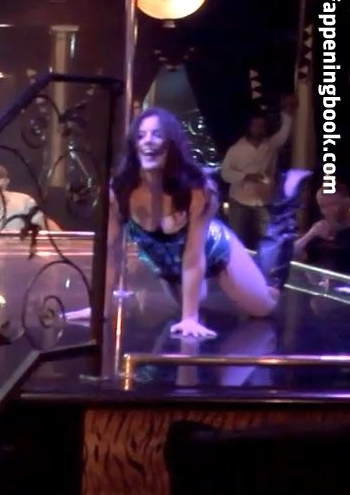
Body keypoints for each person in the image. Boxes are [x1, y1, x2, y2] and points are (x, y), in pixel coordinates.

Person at [67, 108, 308, 337]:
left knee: (264, 307)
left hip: (214, 250)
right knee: (194, 300)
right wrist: (100, 308)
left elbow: (193, 257)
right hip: (171, 267)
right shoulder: (120, 191)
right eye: (141, 136)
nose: (148, 141)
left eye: (157, 134)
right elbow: (111, 252)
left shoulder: (196, 190)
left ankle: (285, 201)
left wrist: (190, 318)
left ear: (171, 143)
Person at [220, 98, 295, 249]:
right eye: (256, 126)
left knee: (266, 240)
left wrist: (287, 113)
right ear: (249, 127)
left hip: (264, 202)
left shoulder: (271, 145)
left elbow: (284, 134)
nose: (260, 129)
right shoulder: (236, 149)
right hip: (240, 202)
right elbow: (225, 173)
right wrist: (246, 176)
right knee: (238, 240)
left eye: (262, 126)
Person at [0, 164, 60, 232]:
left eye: (2, 187)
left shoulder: (24, 200)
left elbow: (44, 222)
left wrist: (64, 241)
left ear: (7, 182)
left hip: (17, 249)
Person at [296, 183, 350, 274]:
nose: (327, 211)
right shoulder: (318, 231)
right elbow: (292, 255)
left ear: (347, 202)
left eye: (332, 205)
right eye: (323, 206)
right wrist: (310, 234)